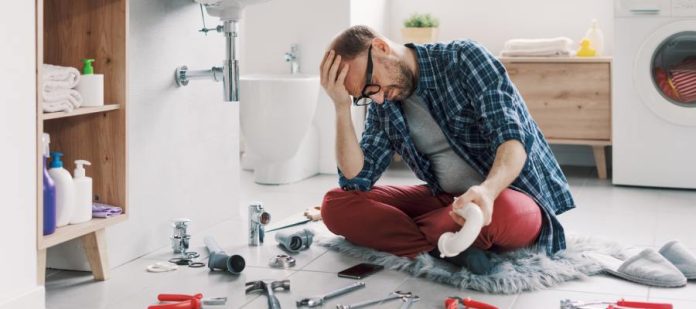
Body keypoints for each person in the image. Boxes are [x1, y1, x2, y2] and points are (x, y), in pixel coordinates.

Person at [318, 25, 575, 274]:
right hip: (447, 201)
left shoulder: (464, 59)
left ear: (381, 48)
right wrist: (341, 108)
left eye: (371, 84)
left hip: (505, 195)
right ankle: (448, 244)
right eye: (363, 95)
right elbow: (356, 180)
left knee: (500, 213)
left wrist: (487, 191)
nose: (377, 98)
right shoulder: (383, 103)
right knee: (335, 204)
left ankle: (432, 240)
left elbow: (512, 139)